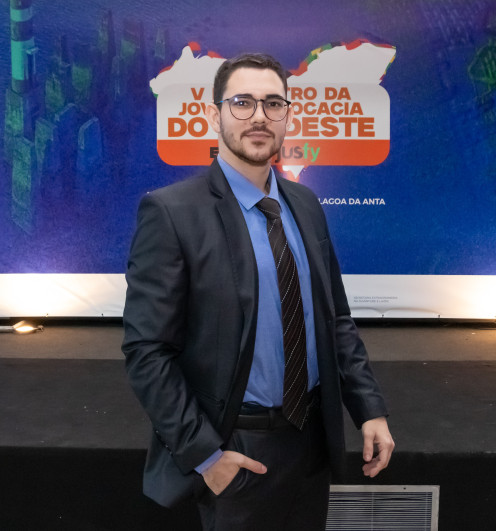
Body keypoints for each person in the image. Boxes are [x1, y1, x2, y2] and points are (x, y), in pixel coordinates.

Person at [122, 52, 394, 531]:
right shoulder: (172, 213)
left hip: (311, 445)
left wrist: (368, 408)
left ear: (287, 115)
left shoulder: (305, 204)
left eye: (273, 104)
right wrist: (207, 456)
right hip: (237, 452)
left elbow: (335, 319)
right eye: (242, 103)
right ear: (215, 115)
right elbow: (147, 351)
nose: (259, 117)